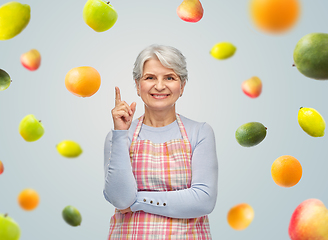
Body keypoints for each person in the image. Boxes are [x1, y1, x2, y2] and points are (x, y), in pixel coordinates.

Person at [103, 44, 218, 239]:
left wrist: (137, 201)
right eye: (150, 78)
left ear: (181, 86)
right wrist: (120, 134)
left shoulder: (199, 132)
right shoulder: (119, 136)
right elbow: (120, 199)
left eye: (169, 78)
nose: (159, 85)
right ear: (138, 86)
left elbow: (203, 201)